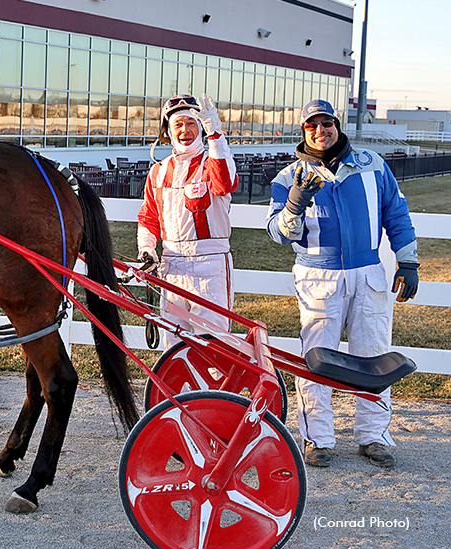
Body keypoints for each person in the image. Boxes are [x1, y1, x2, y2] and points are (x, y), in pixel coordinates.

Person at [267, 99, 419, 469]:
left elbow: (396, 213)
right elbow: (277, 234)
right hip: (319, 276)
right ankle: (317, 438)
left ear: (338, 125)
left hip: (368, 273)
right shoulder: (288, 178)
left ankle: (373, 436)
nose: (321, 131)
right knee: (317, 358)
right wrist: (294, 205)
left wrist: (408, 260)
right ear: (303, 131)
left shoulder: (373, 166)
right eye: (312, 125)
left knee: (374, 356)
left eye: (327, 123)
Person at [136, 94, 238, 349]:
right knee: (175, 347)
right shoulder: (158, 170)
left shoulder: (213, 161)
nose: (185, 130)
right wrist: (147, 248)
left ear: (200, 126)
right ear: (168, 131)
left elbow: (224, 183)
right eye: (178, 124)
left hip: (209, 266)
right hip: (171, 267)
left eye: (192, 123)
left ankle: (213, 390)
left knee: (213, 345)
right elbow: (149, 216)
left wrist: (215, 134)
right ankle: (178, 391)